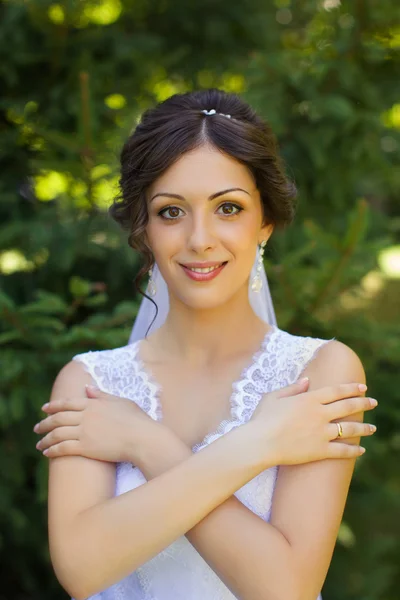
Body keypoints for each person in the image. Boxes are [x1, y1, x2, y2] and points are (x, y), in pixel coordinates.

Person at [34, 89, 378, 600]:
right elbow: (83, 571)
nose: (200, 238)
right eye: (171, 212)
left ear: (265, 221)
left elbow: (287, 588)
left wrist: (144, 443)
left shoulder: (320, 371)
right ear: (144, 228)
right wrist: (260, 442)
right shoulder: (91, 384)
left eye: (228, 208)